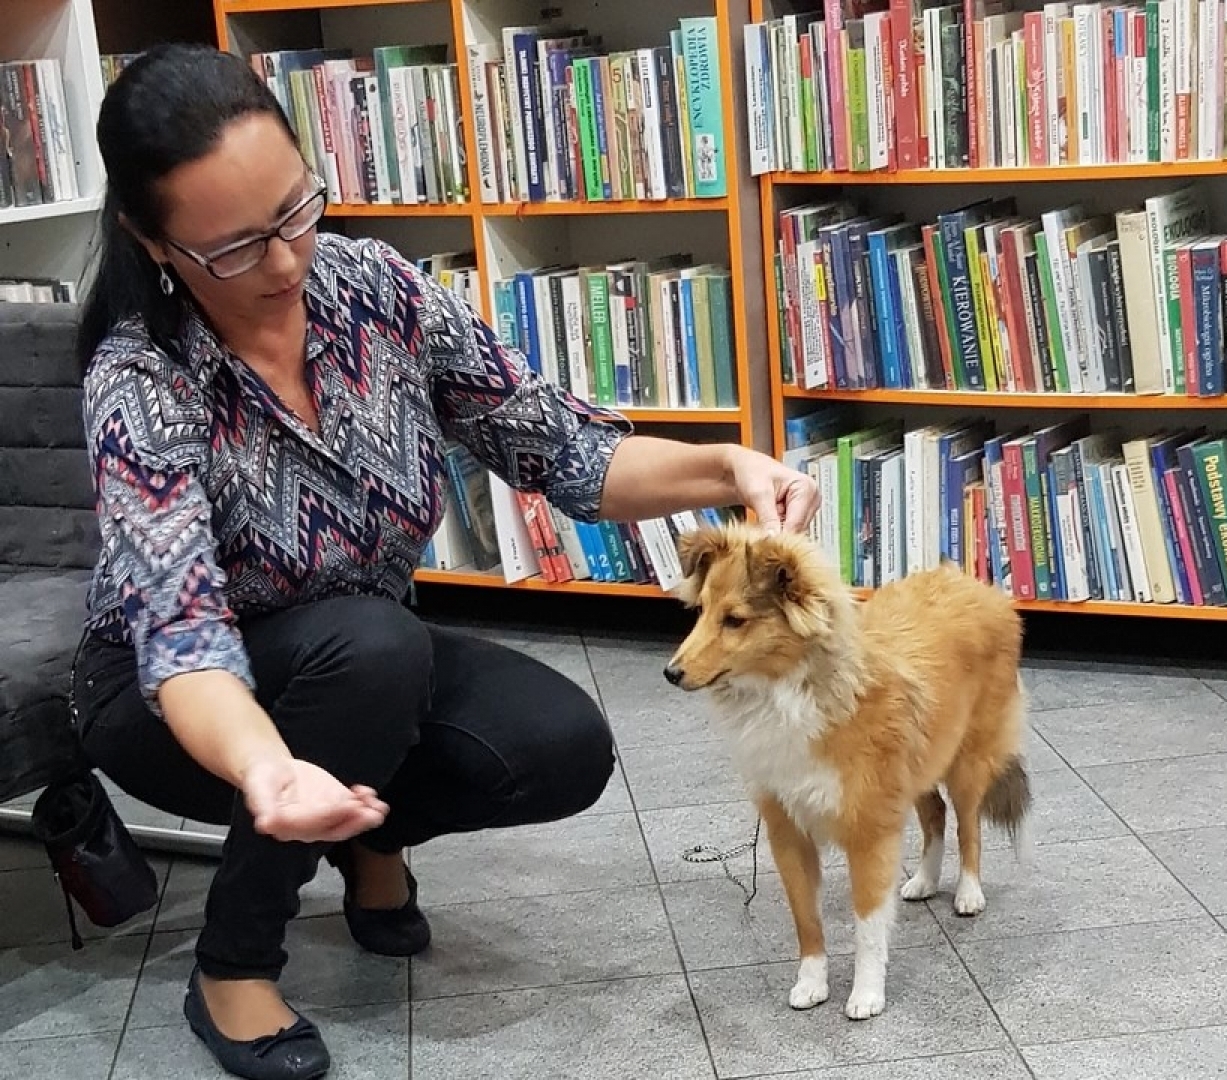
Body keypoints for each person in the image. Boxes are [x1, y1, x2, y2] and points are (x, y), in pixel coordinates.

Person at [70, 42, 819, 1080]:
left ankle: (364, 826)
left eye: (296, 210)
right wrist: (267, 769)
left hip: (360, 667)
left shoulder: (376, 287)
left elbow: (566, 448)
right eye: (237, 248)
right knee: (371, 647)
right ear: (153, 242)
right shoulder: (140, 378)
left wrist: (726, 464)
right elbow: (181, 630)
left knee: (557, 745)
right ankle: (233, 963)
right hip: (169, 702)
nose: (287, 262)